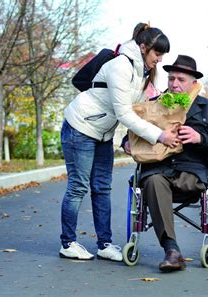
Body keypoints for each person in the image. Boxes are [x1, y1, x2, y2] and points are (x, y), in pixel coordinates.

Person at [59, 23, 179, 262]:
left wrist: (128, 137)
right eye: (157, 53)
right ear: (143, 48)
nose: (160, 59)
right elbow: (125, 114)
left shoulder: (143, 72)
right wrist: (159, 136)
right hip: (80, 127)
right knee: (78, 186)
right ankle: (68, 243)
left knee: (102, 188)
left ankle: (104, 244)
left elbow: (143, 108)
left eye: (163, 54)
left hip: (102, 133)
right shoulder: (121, 66)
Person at [123, 55, 208, 271]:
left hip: (191, 173)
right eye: (171, 79)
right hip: (157, 170)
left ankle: (174, 251)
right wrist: (126, 143)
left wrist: (200, 138)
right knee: (152, 181)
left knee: (160, 179)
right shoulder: (154, 105)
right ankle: (172, 250)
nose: (174, 84)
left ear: (193, 83)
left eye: (181, 79)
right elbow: (133, 132)